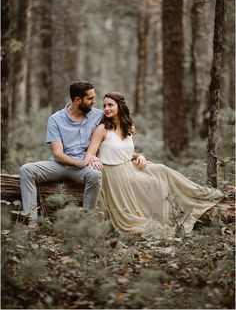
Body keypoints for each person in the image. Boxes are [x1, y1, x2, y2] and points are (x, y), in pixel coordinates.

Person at [85, 92, 224, 237]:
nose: (106, 108)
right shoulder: (102, 129)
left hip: (129, 167)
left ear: (120, 106)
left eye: (110, 105)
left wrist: (139, 156)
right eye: (104, 105)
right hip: (113, 175)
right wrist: (94, 159)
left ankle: (200, 195)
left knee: (161, 169)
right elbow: (90, 154)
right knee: (152, 182)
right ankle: (164, 217)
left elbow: (123, 152)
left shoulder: (130, 129)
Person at [19, 80, 104, 228]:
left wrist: (131, 130)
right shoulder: (56, 119)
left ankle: (86, 224)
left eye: (94, 97)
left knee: (95, 175)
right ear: (78, 100)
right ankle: (32, 222)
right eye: (90, 98)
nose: (94, 102)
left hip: (83, 169)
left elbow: (120, 123)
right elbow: (58, 154)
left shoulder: (98, 115)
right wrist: (80, 163)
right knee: (26, 170)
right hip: (59, 165)